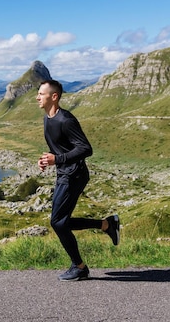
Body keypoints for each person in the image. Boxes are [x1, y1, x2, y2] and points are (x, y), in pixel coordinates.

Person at [36, 79, 120, 282]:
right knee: (60, 221)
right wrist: (48, 159)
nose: (37, 97)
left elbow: (85, 149)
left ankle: (79, 266)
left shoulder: (66, 120)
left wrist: (58, 159)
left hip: (75, 175)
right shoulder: (48, 118)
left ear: (53, 97)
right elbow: (62, 148)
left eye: (41, 94)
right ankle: (107, 225)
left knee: (57, 221)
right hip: (64, 173)